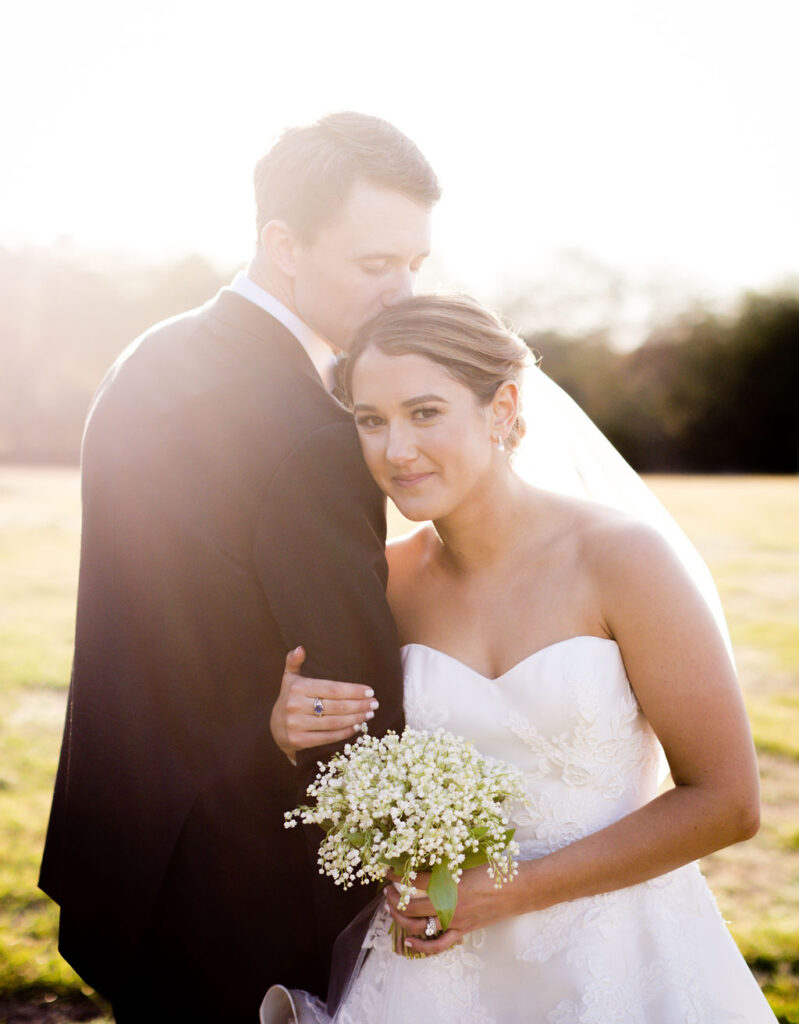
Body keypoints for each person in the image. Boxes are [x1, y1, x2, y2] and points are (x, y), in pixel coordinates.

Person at [265, 294, 777, 1022]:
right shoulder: (382, 583)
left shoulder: (622, 560)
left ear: (502, 409)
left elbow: (727, 802)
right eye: (369, 420)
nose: (395, 450)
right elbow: (348, 772)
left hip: (618, 960)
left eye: (425, 412)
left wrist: (505, 891)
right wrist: (287, 731)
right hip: (433, 970)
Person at [38, 112, 440, 1024]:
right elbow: (354, 692)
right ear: (282, 244)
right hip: (244, 872)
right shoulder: (305, 425)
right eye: (376, 265)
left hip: (134, 835)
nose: (403, 290)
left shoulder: (155, 355)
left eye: (416, 264)